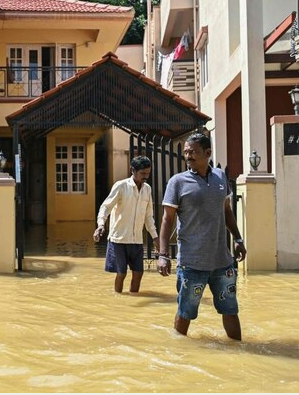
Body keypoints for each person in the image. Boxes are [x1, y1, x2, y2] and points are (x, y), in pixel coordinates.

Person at [157, 133, 247, 340]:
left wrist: (239, 239)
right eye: (186, 152)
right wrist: (162, 254)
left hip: (222, 263)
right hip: (192, 263)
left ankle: (239, 352)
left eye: (193, 152)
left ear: (207, 153)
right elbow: (167, 220)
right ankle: (179, 352)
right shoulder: (177, 182)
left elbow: (226, 211)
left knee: (230, 310)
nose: (188, 156)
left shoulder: (220, 178)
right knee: (185, 313)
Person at [94, 155, 159, 293]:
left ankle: (133, 297)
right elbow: (106, 207)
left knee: (138, 273)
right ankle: (118, 299)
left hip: (136, 240)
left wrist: (155, 237)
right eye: (142, 173)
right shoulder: (121, 186)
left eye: (148, 173)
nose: (146, 176)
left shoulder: (147, 189)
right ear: (133, 171)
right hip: (119, 239)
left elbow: (148, 216)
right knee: (121, 273)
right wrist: (100, 225)